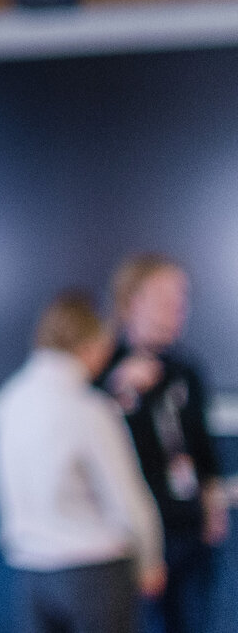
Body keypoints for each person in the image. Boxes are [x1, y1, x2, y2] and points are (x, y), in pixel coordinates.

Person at [0, 291, 165, 633]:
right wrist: (151, 560)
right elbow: (128, 497)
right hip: (95, 573)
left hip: (31, 573)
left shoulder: (9, 401)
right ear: (88, 345)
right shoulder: (88, 409)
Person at [102, 255, 227, 633]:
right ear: (130, 303)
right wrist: (116, 391)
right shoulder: (102, 369)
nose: (177, 308)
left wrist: (213, 508)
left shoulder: (187, 370)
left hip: (188, 530)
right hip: (129, 538)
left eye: (181, 298)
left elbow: (204, 449)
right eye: (164, 298)